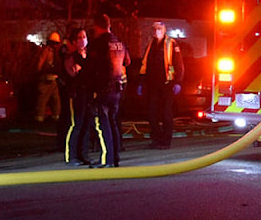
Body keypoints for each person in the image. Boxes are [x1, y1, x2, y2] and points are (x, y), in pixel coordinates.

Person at [84, 14, 129, 168]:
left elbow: (90, 68)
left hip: (102, 89)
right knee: (113, 123)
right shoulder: (119, 42)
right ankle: (114, 157)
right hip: (117, 89)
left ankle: (107, 159)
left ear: (97, 26)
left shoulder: (98, 44)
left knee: (103, 125)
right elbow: (127, 61)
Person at [138, 21, 185, 149]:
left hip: (167, 85)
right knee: (152, 114)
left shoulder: (171, 43)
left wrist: (178, 82)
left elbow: (179, 65)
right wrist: (142, 82)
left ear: (164, 30)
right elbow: (145, 64)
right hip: (153, 86)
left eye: (159, 28)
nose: (156, 31)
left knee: (166, 115)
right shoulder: (151, 44)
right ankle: (156, 139)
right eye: (154, 29)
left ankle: (165, 141)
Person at [59, 27, 92, 166]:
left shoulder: (89, 55)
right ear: (74, 40)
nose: (83, 40)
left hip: (88, 94)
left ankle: (83, 154)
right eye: (80, 37)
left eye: (84, 36)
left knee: (86, 125)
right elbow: (72, 73)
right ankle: (72, 155)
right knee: (77, 124)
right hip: (76, 94)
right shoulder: (70, 56)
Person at [34, 31, 62, 123]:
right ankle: (40, 117)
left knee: (54, 99)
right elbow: (40, 63)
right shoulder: (47, 50)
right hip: (46, 78)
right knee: (45, 99)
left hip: (52, 78)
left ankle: (55, 116)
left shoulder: (51, 50)